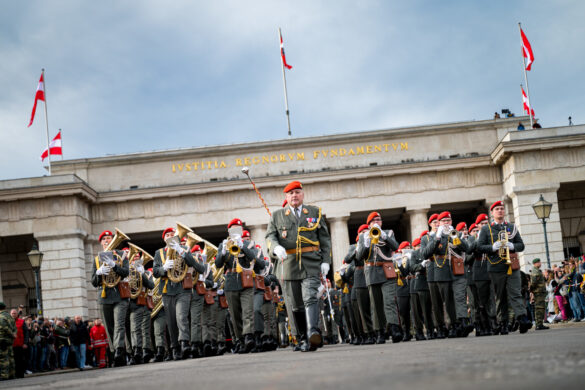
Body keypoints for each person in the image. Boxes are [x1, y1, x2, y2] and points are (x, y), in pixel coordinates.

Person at [266, 180, 332, 352]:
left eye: (297, 192)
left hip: (311, 262)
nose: (294, 196)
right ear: (286, 197)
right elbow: (270, 237)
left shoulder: (314, 212)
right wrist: (276, 248)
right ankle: (303, 337)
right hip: (289, 264)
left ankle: (312, 332)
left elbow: (324, 239)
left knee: (310, 297)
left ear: (302, 194)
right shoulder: (277, 216)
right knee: (295, 304)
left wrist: (326, 260)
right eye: (290, 193)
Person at [153, 226, 208, 360]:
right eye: (168, 235)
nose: (170, 237)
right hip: (167, 290)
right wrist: (163, 268)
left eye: (173, 234)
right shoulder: (159, 253)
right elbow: (155, 271)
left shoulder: (184, 249)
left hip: (182, 289)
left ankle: (184, 344)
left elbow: (198, 267)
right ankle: (175, 348)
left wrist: (182, 252)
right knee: (171, 322)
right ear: (164, 239)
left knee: (181, 317)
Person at [477, 201, 532, 334]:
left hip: (511, 265)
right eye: (497, 209)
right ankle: (503, 322)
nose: (500, 211)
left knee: (515, 292)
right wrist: (492, 247)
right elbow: (479, 247)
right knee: (500, 296)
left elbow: (521, 245)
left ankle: (522, 318)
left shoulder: (511, 227)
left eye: (502, 208)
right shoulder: (486, 229)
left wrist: (512, 246)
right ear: (492, 213)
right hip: (496, 266)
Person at [216, 218, 266, 354]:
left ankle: (249, 336)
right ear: (229, 231)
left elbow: (258, 262)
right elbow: (218, 264)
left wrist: (242, 245)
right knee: (235, 314)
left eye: (238, 228)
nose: (236, 231)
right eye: (233, 229)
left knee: (248, 312)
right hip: (231, 281)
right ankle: (240, 339)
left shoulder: (249, 245)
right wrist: (223, 253)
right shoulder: (223, 245)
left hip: (247, 280)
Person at [355, 212, 401, 343]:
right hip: (372, 270)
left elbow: (396, 247)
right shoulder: (363, 236)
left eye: (379, 220)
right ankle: (379, 331)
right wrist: (366, 244)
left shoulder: (389, 232)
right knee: (375, 304)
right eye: (373, 220)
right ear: (369, 224)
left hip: (387, 269)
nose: (377, 222)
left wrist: (385, 236)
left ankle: (394, 329)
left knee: (389, 301)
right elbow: (359, 257)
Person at [91, 230, 130, 367]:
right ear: (101, 243)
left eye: (109, 238)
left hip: (119, 295)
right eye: (105, 239)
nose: (107, 241)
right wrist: (98, 273)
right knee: (109, 327)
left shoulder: (121, 255)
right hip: (104, 296)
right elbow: (94, 282)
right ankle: (115, 353)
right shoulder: (97, 259)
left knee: (119, 324)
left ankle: (119, 352)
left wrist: (114, 266)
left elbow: (126, 273)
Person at [530, 259, 549, 330]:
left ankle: (539, 324)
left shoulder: (538, 270)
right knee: (539, 308)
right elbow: (534, 282)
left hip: (540, 292)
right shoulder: (535, 271)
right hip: (538, 292)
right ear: (536, 263)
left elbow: (541, 280)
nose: (540, 263)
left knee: (540, 308)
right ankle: (539, 324)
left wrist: (545, 277)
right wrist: (532, 290)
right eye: (539, 262)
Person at [10, 309, 27, 378]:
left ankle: (21, 374)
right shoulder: (7, 322)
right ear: (10, 314)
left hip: (20, 344)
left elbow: (26, 333)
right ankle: (14, 374)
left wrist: (25, 343)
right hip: (11, 345)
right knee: (13, 361)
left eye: (15, 313)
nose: (14, 314)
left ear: (17, 314)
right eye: (12, 313)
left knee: (20, 360)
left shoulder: (22, 321)